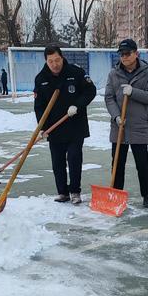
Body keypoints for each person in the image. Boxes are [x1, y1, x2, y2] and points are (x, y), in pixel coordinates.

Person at [34, 45, 96, 204]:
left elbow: (90, 91)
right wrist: (43, 127)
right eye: (50, 61)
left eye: (57, 60)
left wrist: (78, 105)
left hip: (75, 126)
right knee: (57, 162)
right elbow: (39, 106)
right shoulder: (41, 79)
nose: (54, 64)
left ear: (62, 57)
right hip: (54, 128)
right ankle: (63, 192)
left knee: (74, 158)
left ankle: (75, 191)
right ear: (46, 61)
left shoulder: (76, 72)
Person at [105, 39, 148, 208]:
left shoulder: (147, 73)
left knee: (142, 164)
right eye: (121, 54)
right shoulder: (114, 74)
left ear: (136, 53)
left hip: (138, 126)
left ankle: (146, 196)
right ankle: (115, 195)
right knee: (117, 165)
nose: (124, 57)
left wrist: (133, 91)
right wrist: (116, 116)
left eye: (128, 53)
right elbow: (109, 97)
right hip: (119, 126)